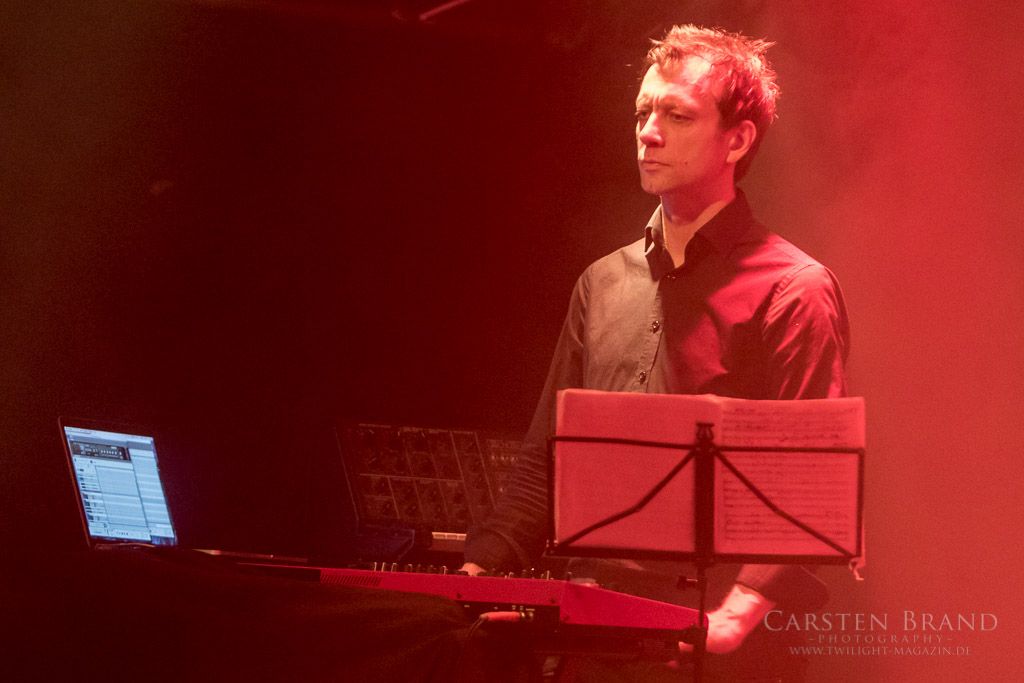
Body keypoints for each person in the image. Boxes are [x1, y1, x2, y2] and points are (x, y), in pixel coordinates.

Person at [461, 24, 850, 681]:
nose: (648, 132)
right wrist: (476, 571)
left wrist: (734, 617)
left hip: (714, 647)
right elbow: (544, 461)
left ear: (738, 140)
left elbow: (811, 486)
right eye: (643, 112)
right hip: (593, 633)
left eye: (677, 115)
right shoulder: (601, 282)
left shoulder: (795, 288)